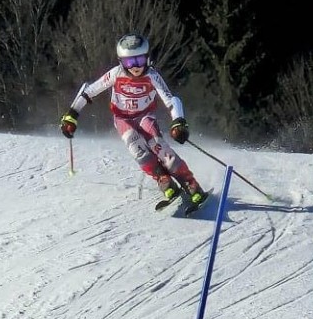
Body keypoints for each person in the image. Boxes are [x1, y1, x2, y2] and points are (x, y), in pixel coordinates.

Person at [60, 33, 206, 205]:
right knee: (137, 149)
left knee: (158, 145)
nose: (135, 67)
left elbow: (171, 100)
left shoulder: (152, 76)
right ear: (121, 61)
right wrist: (72, 115)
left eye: (140, 60)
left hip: (145, 116)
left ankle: (189, 183)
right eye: (130, 62)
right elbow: (90, 91)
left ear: (148, 58)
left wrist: (178, 121)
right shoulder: (116, 74)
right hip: (122, 118)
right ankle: (163, 179)